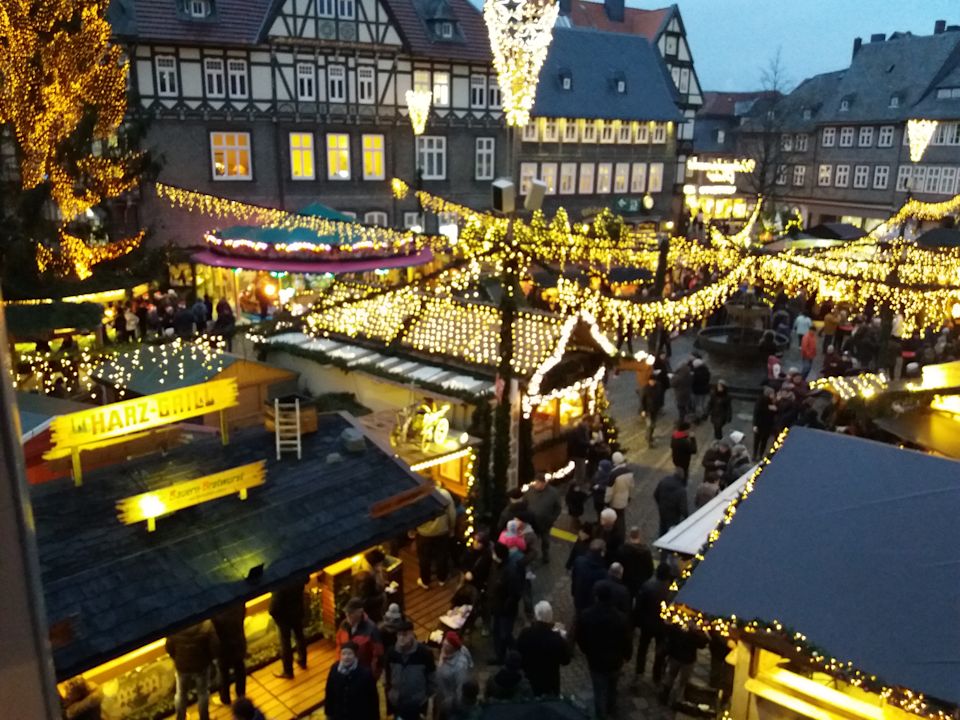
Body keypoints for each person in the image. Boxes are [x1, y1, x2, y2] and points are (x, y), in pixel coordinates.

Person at [577, 584, 632, 720]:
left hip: (596, 661)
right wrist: (627, 655)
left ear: (596, 597)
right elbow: (626, 640)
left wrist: (587, 651)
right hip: (615, 661)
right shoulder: (621, 618)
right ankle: (611, 707)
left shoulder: (586, 615)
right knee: (613, 686)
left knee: (599, 691)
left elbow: (581, 638)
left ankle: (601, 715)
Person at [516, 601, 571, 696]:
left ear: (536, 616)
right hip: (550, 684)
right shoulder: (556, 638)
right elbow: (566, 660)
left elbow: (518, 654)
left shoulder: (525, 634)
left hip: (530, 681)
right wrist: (564, 640)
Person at [166, 620, 219, 720]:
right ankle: (204, 718)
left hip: (182, 666)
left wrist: (177, 659)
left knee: (181, 693)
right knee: (203, 693)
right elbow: (214, 645)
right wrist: (209, 659)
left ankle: (180, 717)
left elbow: (169, 648)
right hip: (201, 665)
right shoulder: (206, 625)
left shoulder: (174, 627)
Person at [385, 619, 436, 720]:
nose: (401, 638)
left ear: (412, 634)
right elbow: (387, 676)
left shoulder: (424, 653)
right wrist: (391, 694)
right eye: (399, 634)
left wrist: (424, 697)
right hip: (397, 703)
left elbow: (432, 678)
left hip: (417, 704)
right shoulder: (391, 653)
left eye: (405, 634)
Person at [635, 562, 673, 683]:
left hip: (647, 623)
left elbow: (639, 605)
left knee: (643, 648)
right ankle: (656, 676)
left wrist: (638, 620)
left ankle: (639, 672)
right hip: (662, 626)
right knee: (660, 651)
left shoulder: (647, 586)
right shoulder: (670, 590)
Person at [488, 541, 525, 663]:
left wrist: (506, 607)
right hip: (497, 606)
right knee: (497, 632)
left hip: (506, 610)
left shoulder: (511, 571)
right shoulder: (496, 565)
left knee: (505, 634)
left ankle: (517, 654)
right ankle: (500, 656)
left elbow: (515, 593)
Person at [325, 642, 380, 720]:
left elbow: (372, 698)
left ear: (355, 655)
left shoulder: (365, 673)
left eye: (349, 654)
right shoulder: (334, 669)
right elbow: (329, 692)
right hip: (338, 715)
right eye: (343, 654)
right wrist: (328, 713)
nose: (346, 657)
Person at [416, 482, 457, 589]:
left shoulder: (418, 496)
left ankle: (425, 581)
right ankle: (442, 579)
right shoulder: (444, 494)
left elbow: (412, 515)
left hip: (424, 533)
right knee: (442, 555)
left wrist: (411, 529)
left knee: (424, 558)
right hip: (442, 531)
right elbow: (452, 514)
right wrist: (451, 528)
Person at [335, 597, 385, 679]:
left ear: (360, 612)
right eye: (347, 613)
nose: (347, 615)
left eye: (351, 613)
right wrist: (339, 665)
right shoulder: (343, 626)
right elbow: (339, 647)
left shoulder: (371, 629)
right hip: (345, 672)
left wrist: (372, 675)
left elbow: (378, 655)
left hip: (363, 675)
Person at [660, 625, 708, 708]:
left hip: (676, 656)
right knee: (682, 682)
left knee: (671, 676)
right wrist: (704, 634)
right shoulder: (695, 633)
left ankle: (666, 695)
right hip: (687, 660)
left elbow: (669, 635)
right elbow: (702, 644)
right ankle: (676, 701)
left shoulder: (678, 627)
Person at [269, 579, 307, 679]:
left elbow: (273, 608)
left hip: (284, 618)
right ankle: (302, 660)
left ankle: (288, 671)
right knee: (299, 635)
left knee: (285, 643)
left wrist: (278, 619)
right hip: (297, 611)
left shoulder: (280, 584)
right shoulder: (295, 577)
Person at [211, 602, 247, 706]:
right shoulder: (238, 604)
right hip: (239, 641)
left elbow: (212, 628)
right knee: (240, 668)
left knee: (223, 672)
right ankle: (241, 695)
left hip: (223, 647)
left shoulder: (216, 613)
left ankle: (225, 698)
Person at [523, 474, 561, 564]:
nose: (536, 485)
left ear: (544, 483)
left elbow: (558, 508)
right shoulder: (530, 490)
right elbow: (524, 503)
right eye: (535, 482)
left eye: (538, 483)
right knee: (530, 541)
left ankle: (545, 556)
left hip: (545, 523)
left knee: (545, 541)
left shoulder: (553, 493)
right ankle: (530, 556)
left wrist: (552, 518)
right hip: (532, 522)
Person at [435, 632, 474, 719]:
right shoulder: (445, 652)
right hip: (441, 697)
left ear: (453, 648)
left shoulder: (460, 666)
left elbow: (460, 690)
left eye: (446, 645)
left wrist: (455, 707)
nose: (443, 647)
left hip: (450, 706)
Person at [615, 527, 654, 600]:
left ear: (629, 535)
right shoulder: (646, 552)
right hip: (641, 582)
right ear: (639, 536)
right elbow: (650, 570)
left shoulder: (622, 550)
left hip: (626, 581)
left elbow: (618, 566)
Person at [571, 538, 608, 612]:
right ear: (602, 553)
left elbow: (574, 578)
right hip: (591, 604)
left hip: (578, 597)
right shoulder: (603, 572)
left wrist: (573, 591)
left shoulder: (579, 561)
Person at [604, 451, 633, 539]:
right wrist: (629, 496)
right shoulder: (629, 472)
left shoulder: (613, 474)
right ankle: (622, 533)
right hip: (625, 497)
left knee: (617, 518)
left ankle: (618, 535)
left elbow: (610, 491)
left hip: (616, 501)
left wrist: (606, 501)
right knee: (621, 516)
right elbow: (631, 486)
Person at [355, 548, 389, 622]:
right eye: (379, 564)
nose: (380, 566)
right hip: (372, 612)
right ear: (374, 563)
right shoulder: (365, 577)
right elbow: (365, 600)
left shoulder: (373, 570)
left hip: (377, 607)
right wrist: (381, 597)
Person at [654, 468, 688, 538]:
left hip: (663, 511)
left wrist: (660, 504)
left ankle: (660, 542)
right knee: (672, 534)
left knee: (662, 528)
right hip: (674, 516)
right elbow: (683, 507)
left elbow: (655, 494)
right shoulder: (681, 490)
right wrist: (687, 517)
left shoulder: (664, 480)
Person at [640, 375, 665, 447]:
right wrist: (643, 410)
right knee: (649, 425)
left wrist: (661, 405)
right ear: (649, 381)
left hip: (655, 409)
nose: (652, 382)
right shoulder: (645, 388)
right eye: (651, 381)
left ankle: (649, 436)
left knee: (653, 424)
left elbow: (661, 397)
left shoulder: (658, 387)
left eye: (653, 381)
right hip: (648, 410)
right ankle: (649, 440)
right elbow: (642, 400)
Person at [752, 386, 777, 458]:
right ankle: (756, 454)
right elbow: (757, 413)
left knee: (763, 441)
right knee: (759, 440)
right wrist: (755, 425)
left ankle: (758, 454)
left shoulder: (772, 401)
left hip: (767, 425)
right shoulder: (762, 401)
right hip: (761, 424)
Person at [567, 417, 591, 485]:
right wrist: (589, 443)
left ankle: (576, 482)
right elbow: (580, 442)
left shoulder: (582, 429)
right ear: (584, 422)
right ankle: (579, 484)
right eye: (587, 422)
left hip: (579, 453)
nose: (588, 424)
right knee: (581, 469)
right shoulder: (579, 430)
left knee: (578, 468)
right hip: (579, 453)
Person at [690, 357, 711, 421]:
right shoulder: (706, 370)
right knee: (702, 403)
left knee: (698, 404)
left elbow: (693, 381)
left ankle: (698, 417)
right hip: (705, 390)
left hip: (697, 391)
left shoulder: (696, 372)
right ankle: (704, 415)